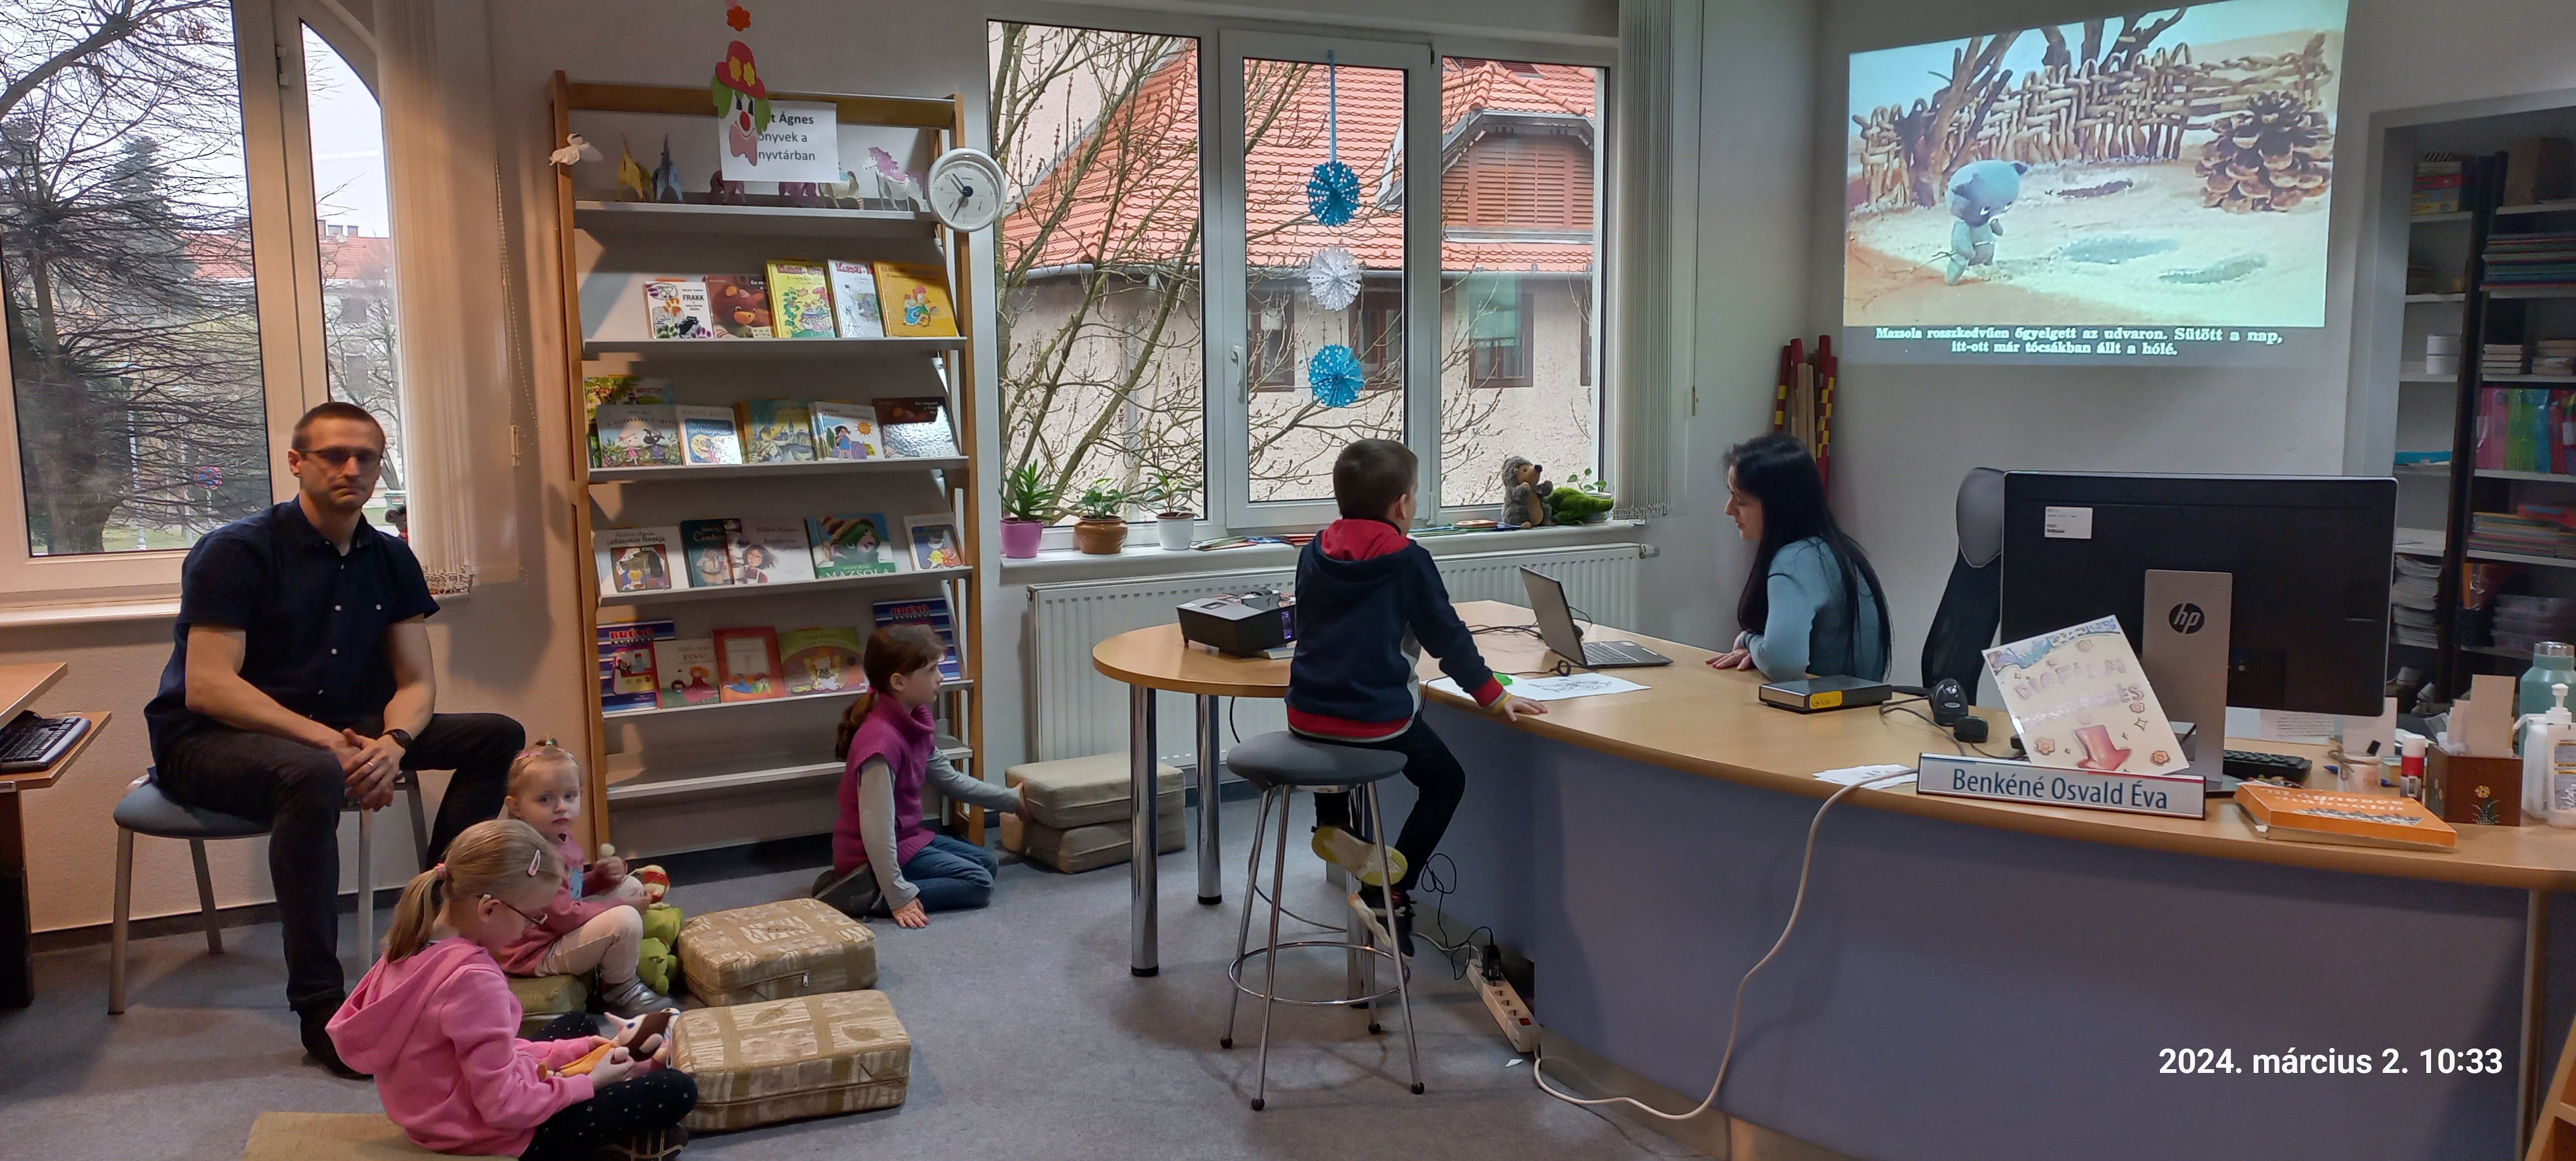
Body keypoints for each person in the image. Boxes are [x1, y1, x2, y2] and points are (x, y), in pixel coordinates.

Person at [142, 401, 526, 1077]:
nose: (352, 467)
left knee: (497, 735)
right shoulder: (235, 550)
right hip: (208, 740)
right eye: (333, 455)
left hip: (342, 730)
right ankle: (322, 1007)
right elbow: (209, 686)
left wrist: (393, 743)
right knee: (312, 773)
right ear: (297, 462)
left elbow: (417, 682)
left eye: (366, 456)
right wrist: (332, 745)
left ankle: (436, 924)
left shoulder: (389, 556)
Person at [1288, 439, 1545, 954]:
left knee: (1332, 740)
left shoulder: (1314, 550)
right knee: (1446, 781)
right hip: (1376, 719)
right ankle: (1391, 892)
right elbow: (1448, 640)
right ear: (1403, 504)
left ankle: (1333, 822)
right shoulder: (1409, 560)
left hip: (1306, 714)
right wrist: (1494, 697)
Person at [328, 818, 695, 1161]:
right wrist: (589, 1081)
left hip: (433, 1118)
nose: (533, 928)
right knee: (676, 1090)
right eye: (534, 917)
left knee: (579, 1027)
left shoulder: (407, 945)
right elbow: (505, 1107)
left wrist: (575, 1052)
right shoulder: (474, 979)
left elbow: (475, 1055)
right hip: (485, 1134)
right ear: (489, 909)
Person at [814, 626, 1027, 928]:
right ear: (899, 682)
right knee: (978, 883)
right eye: (931, 670)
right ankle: (866, 894)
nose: (940, 677)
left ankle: (869, 884)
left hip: (907, 839)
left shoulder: (914, 723)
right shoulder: (880, 743)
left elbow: (950, 780)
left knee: (987, 863)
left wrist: (1011, 800)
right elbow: (877, 831)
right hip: (869, 854)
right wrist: (898, 896)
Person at [491, 745, 671, 1018]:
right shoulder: (535, 856)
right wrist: (621, 906)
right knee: (626, 917)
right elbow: (565, 916)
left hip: (554, 930)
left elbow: (569, 891)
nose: (561, 807)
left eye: (569, 796)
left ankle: (616, 964)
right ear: (516, 807)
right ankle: (619, 990)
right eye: (545, 799)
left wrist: (600, 878)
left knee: (631, 887)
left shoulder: (559, 836)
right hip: (537, 952)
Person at [1706, 432, 1892, 682]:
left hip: (1830, 705)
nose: (1729, 509)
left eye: (1741, 500)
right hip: (1856, 701)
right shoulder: (1833, 549)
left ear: (1778, 504)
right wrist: (1761, 650)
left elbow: (1783, 665)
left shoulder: (1796, 560)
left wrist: (1748, 640)